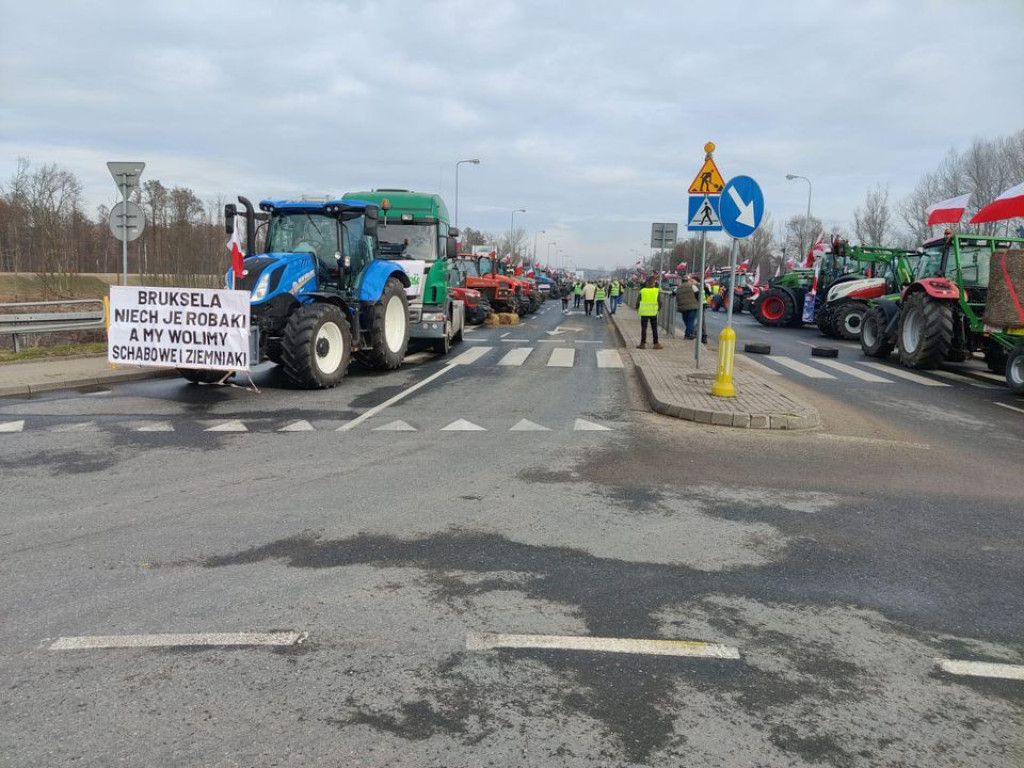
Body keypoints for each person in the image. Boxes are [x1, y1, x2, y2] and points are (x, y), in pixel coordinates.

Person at [635, 276, 662, 349]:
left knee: (644, 328)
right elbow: (660, 302)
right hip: (653, 312)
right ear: (654, 283)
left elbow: (638, 301)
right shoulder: (656, 290)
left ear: (646, 283)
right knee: (654, 328)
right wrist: (658, 309)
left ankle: (642, 343)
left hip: (644, 312)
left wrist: (636, 307)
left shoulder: (642, 291)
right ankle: (656, 343)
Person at [676, 275, 701, 339]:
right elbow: (697, 294)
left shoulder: (679, 287)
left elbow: (674, 293)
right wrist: (697, 302)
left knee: (686, 320)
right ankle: (688, 335)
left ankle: (690, 333)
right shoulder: (692, 286)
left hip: (683, 307)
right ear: (688, 280)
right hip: (693, 306)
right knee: (690, 321)